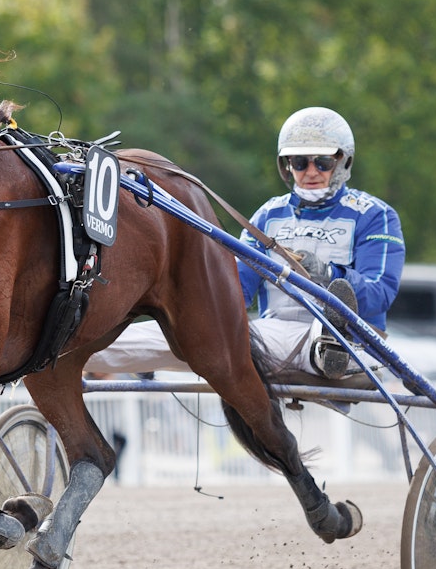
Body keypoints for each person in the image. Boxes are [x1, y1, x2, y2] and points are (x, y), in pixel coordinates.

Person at [86, 106, 405, 380]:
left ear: (343, 161)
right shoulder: (269, 214)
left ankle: (329, 348)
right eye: (299, 162)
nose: (310, 172)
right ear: (286, 165)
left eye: (322, 162)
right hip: (274, 334)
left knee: (324, 340)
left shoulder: (375, 215)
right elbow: (235, 289)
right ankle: (72, 346)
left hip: (352, 338)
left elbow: (380, 295)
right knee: (187, 330)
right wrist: (180, 317)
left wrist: (329, 274)